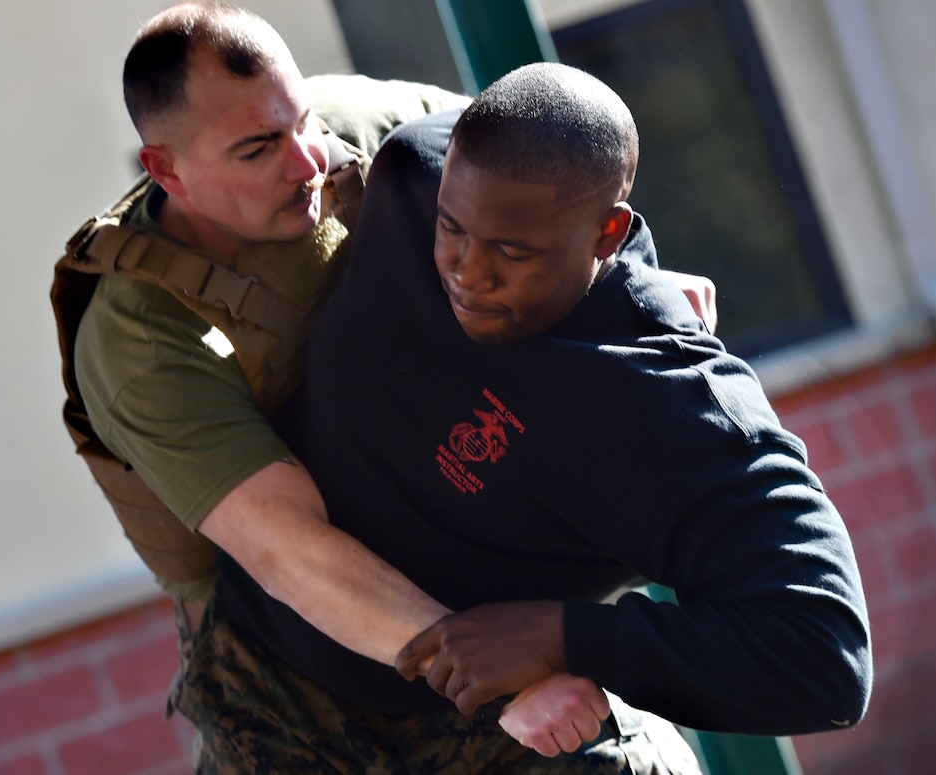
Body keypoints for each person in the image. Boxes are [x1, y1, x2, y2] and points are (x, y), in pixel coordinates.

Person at [53, 2, 718, 770]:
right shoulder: (141, 336)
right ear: (164, 169)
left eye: (300, 118)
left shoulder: (378, 130)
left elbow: (553, 179)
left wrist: (638, 283)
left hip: (483, 568)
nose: (307, 160)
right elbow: (291, 550)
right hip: (296, 678)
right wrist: (501, 681)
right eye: (258, 148)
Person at [237, 62, 870, 765]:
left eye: (512, 251)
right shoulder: (413, 169)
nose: (468, 272)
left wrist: (563, 636)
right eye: (454, 228)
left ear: (606, 234)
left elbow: (826, 657)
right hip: (261, 682)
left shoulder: (663, 402)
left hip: (487, 731)